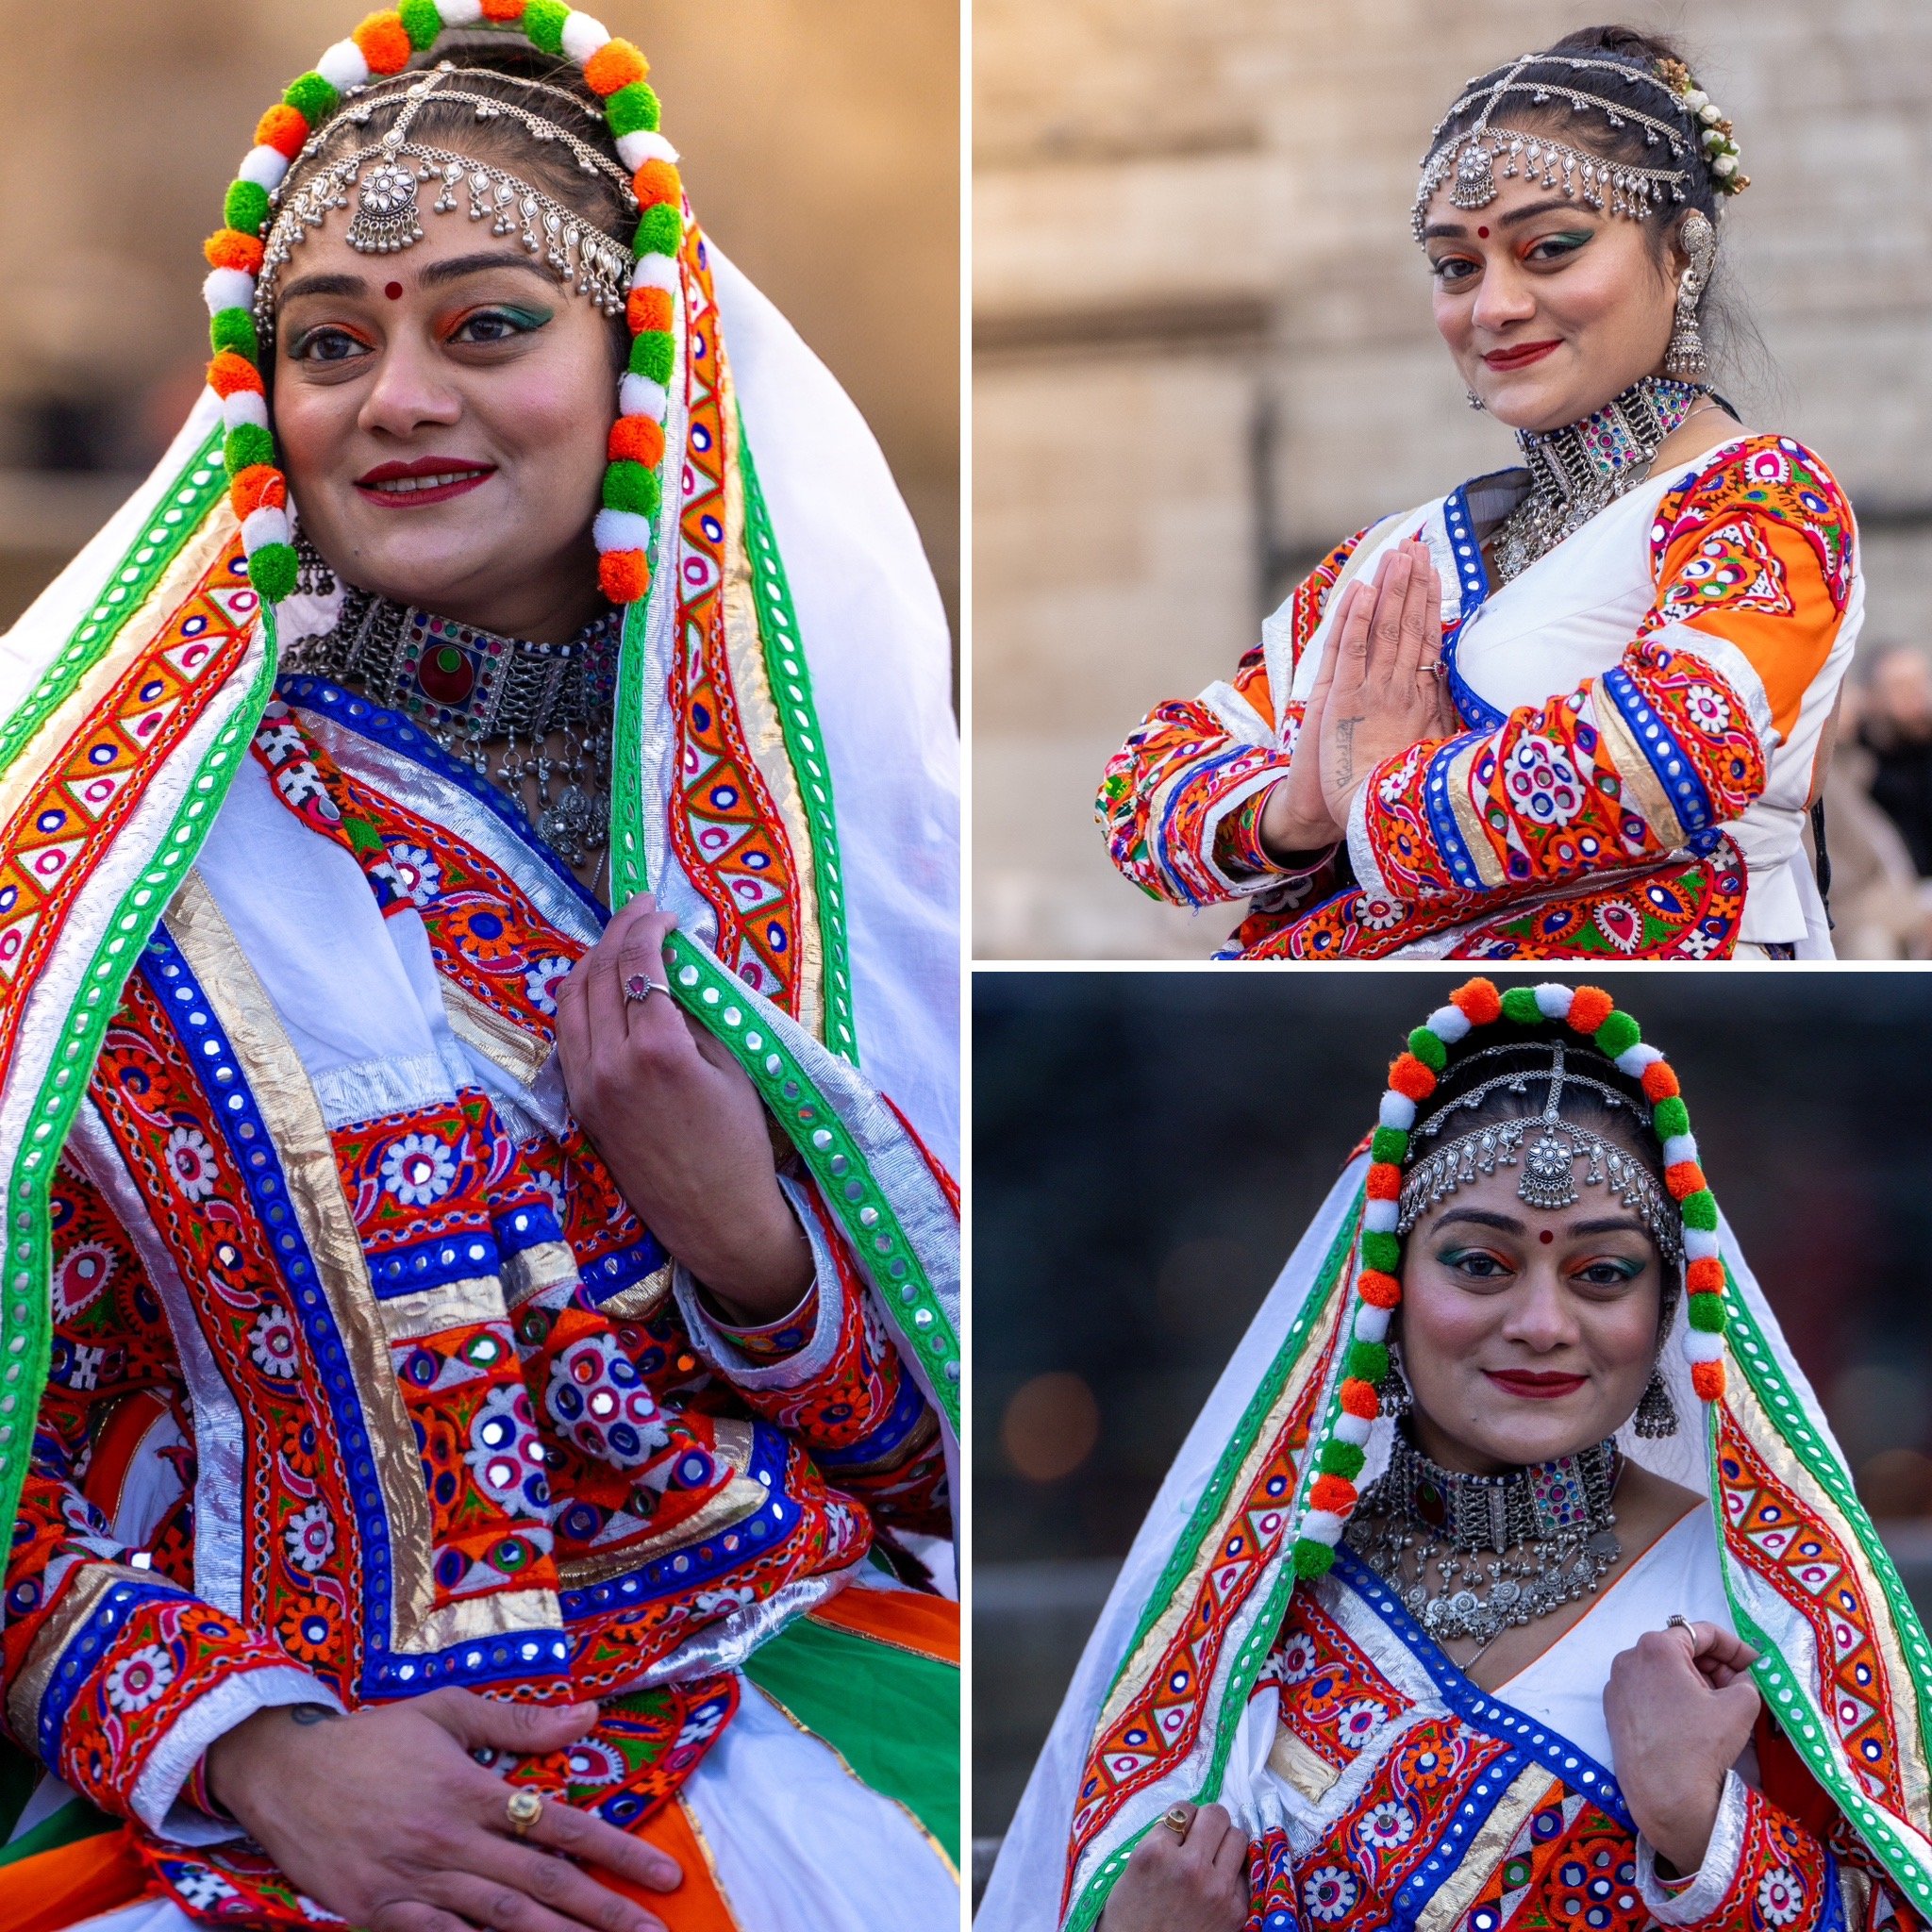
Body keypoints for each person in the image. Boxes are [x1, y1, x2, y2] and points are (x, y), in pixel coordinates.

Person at [0, 9, 959, 1931]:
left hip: (797, 1729)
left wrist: (748, 1235)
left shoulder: (790, 831)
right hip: (274, 1799)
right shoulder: (98, 851)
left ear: (638, 369)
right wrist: (257, 1749)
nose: (396, 397)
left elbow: (940, 1432)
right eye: (331, 342)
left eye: (488, 324)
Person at [981, 978, 1932, 1930]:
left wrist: (1698, 1819)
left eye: (1600, 1273)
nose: (1540, 1323)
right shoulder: (1256, 1599)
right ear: (1384, 1287)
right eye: (1479, 1262)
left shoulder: (1769, 1597)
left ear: (1665, 1309)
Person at [1097, 25, 1862, 960]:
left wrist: (1378, 792)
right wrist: (1291, 811)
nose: (1491, 306)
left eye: (1549, 249)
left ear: (1681, 255)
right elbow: (1140, 783)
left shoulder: (1754, 497)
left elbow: (1682, 746)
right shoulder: (1396, 553)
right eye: (1457, 265)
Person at [1857, 647, 1932, 878]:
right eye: (1901, 687)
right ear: (1872, 698)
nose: (1917, 697)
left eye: (1922, 683)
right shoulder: (1859, 766)